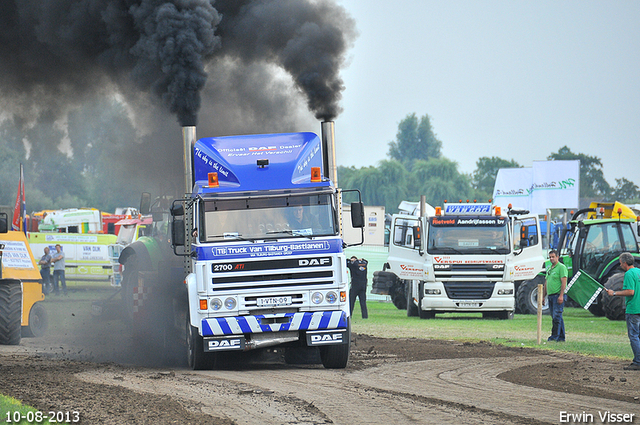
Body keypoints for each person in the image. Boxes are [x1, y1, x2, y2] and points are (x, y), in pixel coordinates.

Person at [605, 252, 640, 370]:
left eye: (620, 263)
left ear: (625, 263)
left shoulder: (629, 274)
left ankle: (638, 362)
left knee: (634, 336)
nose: (620, 265)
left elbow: (630, 292)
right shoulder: (638, 272)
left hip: (633, 309)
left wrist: (614, 293)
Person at [543, 250, 568, 341]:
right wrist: (543, 296)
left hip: (557, 295)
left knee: (556, 316)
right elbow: (546, 282)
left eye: (553, 257)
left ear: (557, 257)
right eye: (550, 257)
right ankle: (561, 337)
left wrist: (561, 295)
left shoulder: (561, 267)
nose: (551, 259)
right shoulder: (549, 268)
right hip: (550, 296)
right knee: (556, 316)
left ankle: (554, 337)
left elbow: (563, 282)